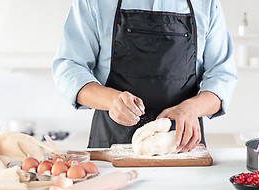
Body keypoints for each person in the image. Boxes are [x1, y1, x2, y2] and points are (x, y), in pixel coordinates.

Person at [52, 0, 238, 152]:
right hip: (112, 144)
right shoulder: (95, 2)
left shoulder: (206, 4)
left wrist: (192, 108)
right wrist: (111, 100)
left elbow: (222, 75)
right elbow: (68, 67)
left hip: (182, 148)